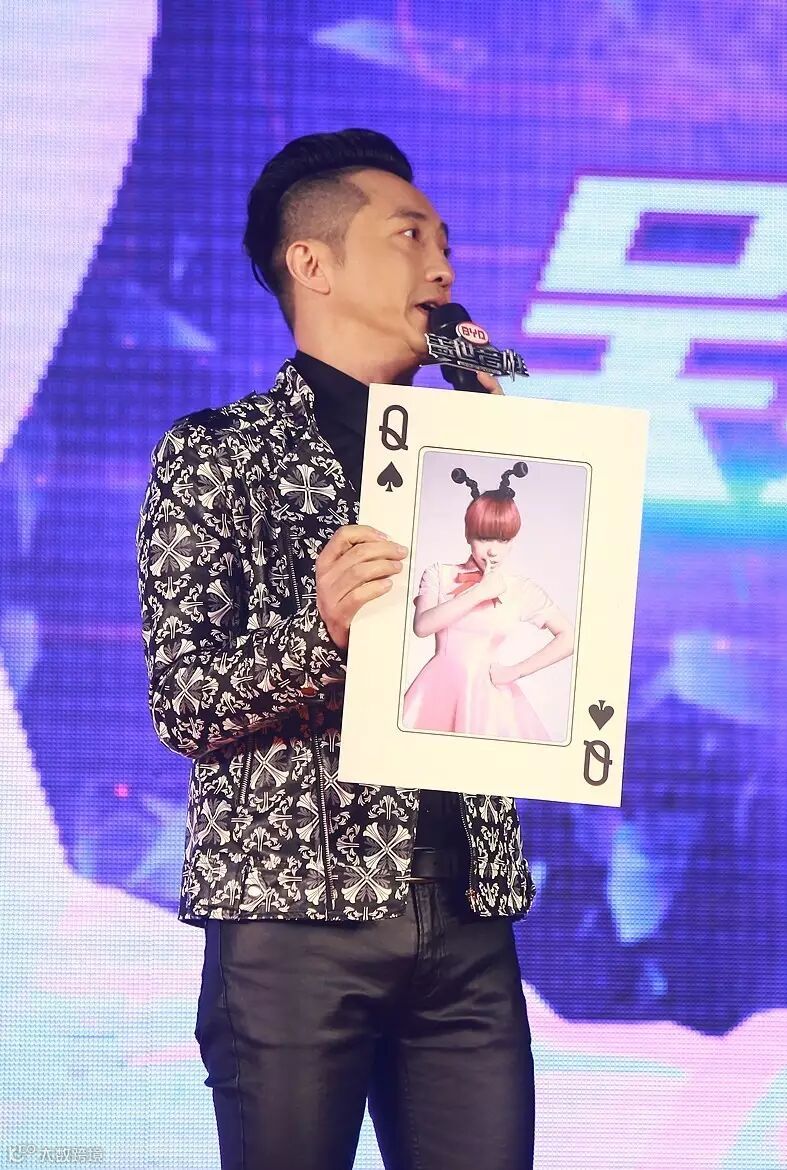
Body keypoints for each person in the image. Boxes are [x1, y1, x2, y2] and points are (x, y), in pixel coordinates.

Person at [136, 128, 537, 1170]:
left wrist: (520, 449)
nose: (441, 266)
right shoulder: (219, 453)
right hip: (293, 925)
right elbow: (184, 702)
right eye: (409, 236)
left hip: (467, 911)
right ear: (310, 262)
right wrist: (321, 633)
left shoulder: (482, 456)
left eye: (444, 242)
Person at [403, 463, 575, 740]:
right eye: (483, 539)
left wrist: (515, 672)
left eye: (503, 540)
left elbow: (569, 637)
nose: (493, 550)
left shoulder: (520, 589)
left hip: (490, 698)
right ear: (468, 535)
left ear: (513, 541)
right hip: (437, 690)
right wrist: (480, 592)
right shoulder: (439, 573)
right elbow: (422, 626)